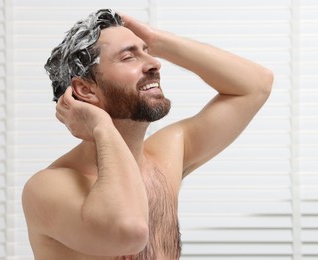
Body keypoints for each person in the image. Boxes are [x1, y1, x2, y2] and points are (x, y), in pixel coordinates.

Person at [22, 8, 273, 260]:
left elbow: (256, 85)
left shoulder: (164, 158)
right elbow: (129, 232)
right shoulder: (48, 188)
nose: (155, 63)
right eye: (129, 57)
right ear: (85, 90)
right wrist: (102, 127)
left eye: (147, 52)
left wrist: (157, 41)